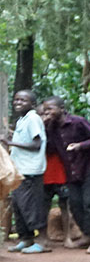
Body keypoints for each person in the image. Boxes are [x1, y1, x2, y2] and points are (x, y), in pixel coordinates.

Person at [42, 96, 90, 253]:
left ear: (62, 109)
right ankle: (85, 235)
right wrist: (44, 127)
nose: (46, 112)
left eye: (50, 109)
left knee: (89, 204)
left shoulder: (78, 122)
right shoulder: (51, 128)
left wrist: (80, 145)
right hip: (70, 172)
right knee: (75, 205)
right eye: (45, 110)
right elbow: (50, 148)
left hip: (88, 168)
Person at [2, 90, 48, 253]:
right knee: (19, 206)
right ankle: (26, 238)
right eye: (16, 99)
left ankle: (42, 241)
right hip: (20, 169)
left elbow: (36, 144)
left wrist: (10, 143)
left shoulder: (33, 119)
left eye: (23, 100)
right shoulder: (23, 120)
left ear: (33, 104)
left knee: (31, 207)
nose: (18, 102)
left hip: (30, 171)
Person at [38, 101, 73, 243]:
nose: (45, 116)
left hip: (61, 174)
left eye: (47, 112)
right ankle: (43, 237)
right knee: (43, 206)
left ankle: (68, 237)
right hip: (44, 174)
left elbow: (54, 147)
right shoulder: (38, 129)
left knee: (65, 205)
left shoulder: (59, 128)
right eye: (42, 113)